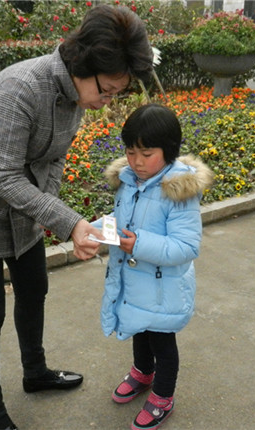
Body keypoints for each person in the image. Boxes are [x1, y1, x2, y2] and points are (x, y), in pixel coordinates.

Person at [0, 4, 153, 430]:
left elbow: (54, 158)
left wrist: (51, 214)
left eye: (115, 94)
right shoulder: (20, 88)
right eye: (106, 90)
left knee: (34, 288)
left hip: (22, 206)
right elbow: (3, 175)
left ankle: (35, 373)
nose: (107, 101)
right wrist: (68, 222)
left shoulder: (76, 95)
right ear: (82, 65)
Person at [92, 104, 214, 430]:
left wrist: (139, 244)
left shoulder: (178, 191)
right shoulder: (129, 181)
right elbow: (120, 222)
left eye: (147, 154)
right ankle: (142, 373)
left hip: (163, 289)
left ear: (168, 150)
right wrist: (91, 232)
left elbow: (187, 247)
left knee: (162, 342)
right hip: (134, 282)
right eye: (131, 152)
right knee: (138, 328)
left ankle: (163, 396)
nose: (137, 161)